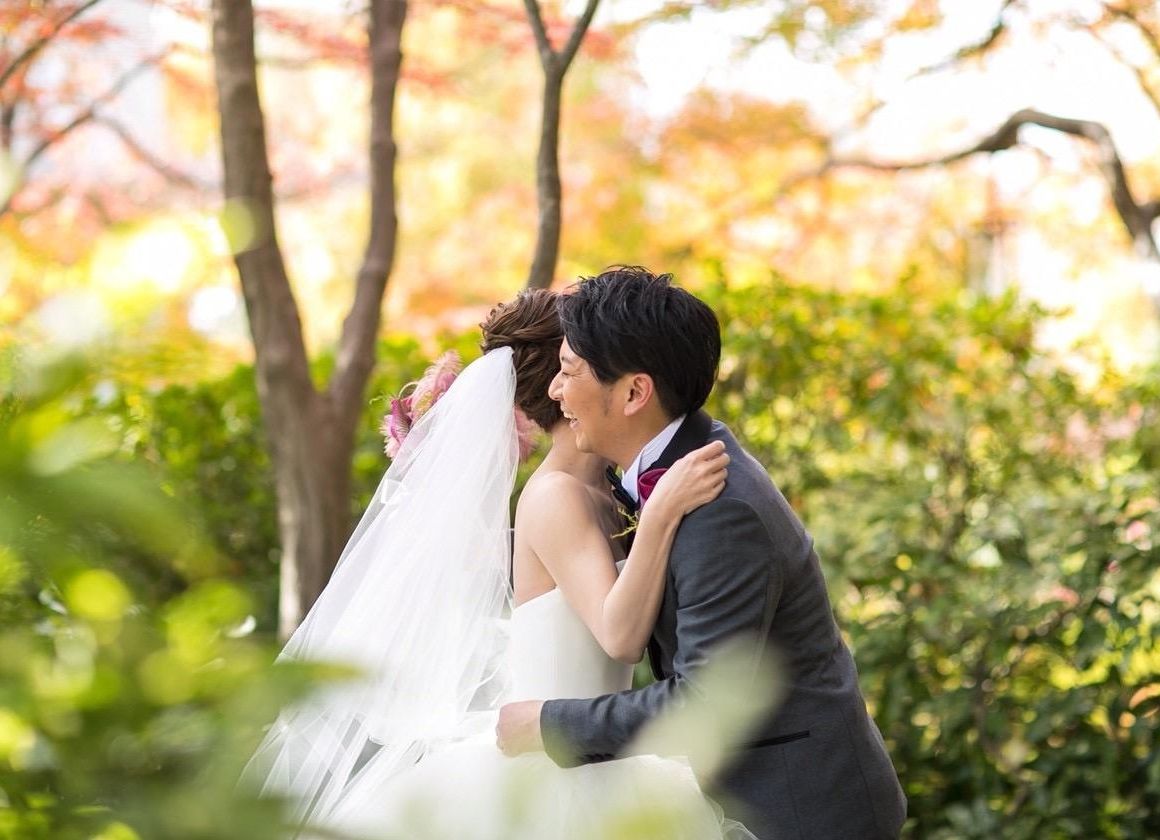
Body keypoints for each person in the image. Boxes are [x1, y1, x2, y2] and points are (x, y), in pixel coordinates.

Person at [243, 289, 751, 839]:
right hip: (555, 772)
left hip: (596, 753)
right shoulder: (556, 496)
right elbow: (620, 637)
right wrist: (662, 515)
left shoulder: (606, 490)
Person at [496, 267, 907, 840]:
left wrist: (548, 724)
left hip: (800, 808)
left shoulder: (720, 508)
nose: (555, 392)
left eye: (569, 371)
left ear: (634, 392)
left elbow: (702, 701)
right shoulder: (666, 473)